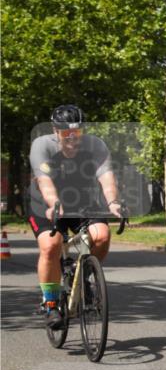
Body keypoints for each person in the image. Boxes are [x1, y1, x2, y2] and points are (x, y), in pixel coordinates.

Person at [27, 105, 122, 329]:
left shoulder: (96, 145)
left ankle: (85, 277)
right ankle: (50, 303)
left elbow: (107, 178)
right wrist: (53, 203)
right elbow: (44, 182)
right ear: (55, 131)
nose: (72, 138)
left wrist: (113, 202)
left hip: (82, 202)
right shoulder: (41, 145)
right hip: (46, 204)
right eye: (66, 133)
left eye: (77, 132)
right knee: (51, 245)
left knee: (102, 236)